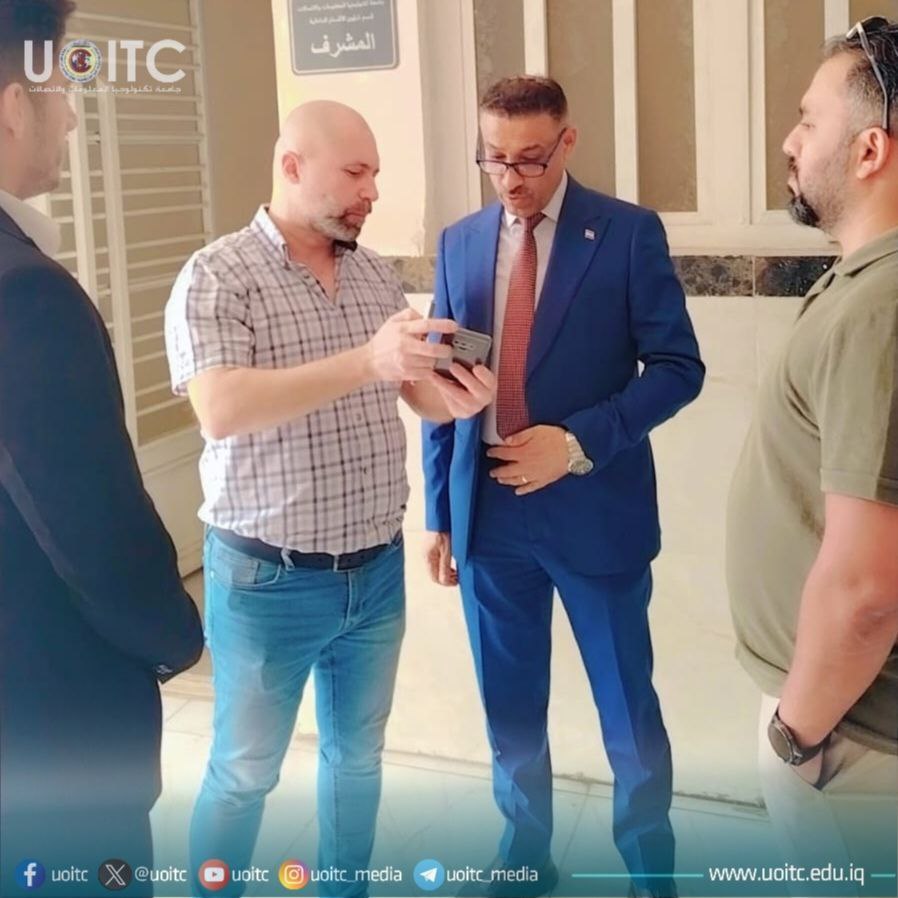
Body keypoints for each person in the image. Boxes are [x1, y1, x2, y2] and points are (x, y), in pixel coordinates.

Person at [165, 100, 496, 897]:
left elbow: (414, 390)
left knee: (357, 759)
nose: (372, 191)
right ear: (292, 167)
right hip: (266, 582)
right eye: (355, 173)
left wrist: (459, 401)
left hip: (374, 574)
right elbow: (221, 408)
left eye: (374, 174)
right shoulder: (218, 274)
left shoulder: (374, 272)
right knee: (245, 771)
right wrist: (366, 362)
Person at [422, 76, 704, 898]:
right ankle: (523, 861)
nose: (511, 179)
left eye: (530, 159)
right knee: (509, 708)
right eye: (494, 159)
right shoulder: (460, 242)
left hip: (595, 510)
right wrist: (440, 510)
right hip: (490, 516)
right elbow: (445, 382)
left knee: (627, 712)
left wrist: (577, 443)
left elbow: (678, 369)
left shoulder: (625, 233)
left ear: (567, 142)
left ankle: (650, 874)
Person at [0, 1, 204, 893]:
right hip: (50, 736)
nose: (74, 114)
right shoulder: (25, 296)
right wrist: (173, 636)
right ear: (14, 107)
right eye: (61, 86)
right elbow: (93, 526)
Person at [727, 16, 898, 888]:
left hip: (848, 740)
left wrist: (794, 734)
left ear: (870, 150)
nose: (790, 142)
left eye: (807, 120)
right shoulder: (863, 283)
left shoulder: (883, 306)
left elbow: (868, 590)